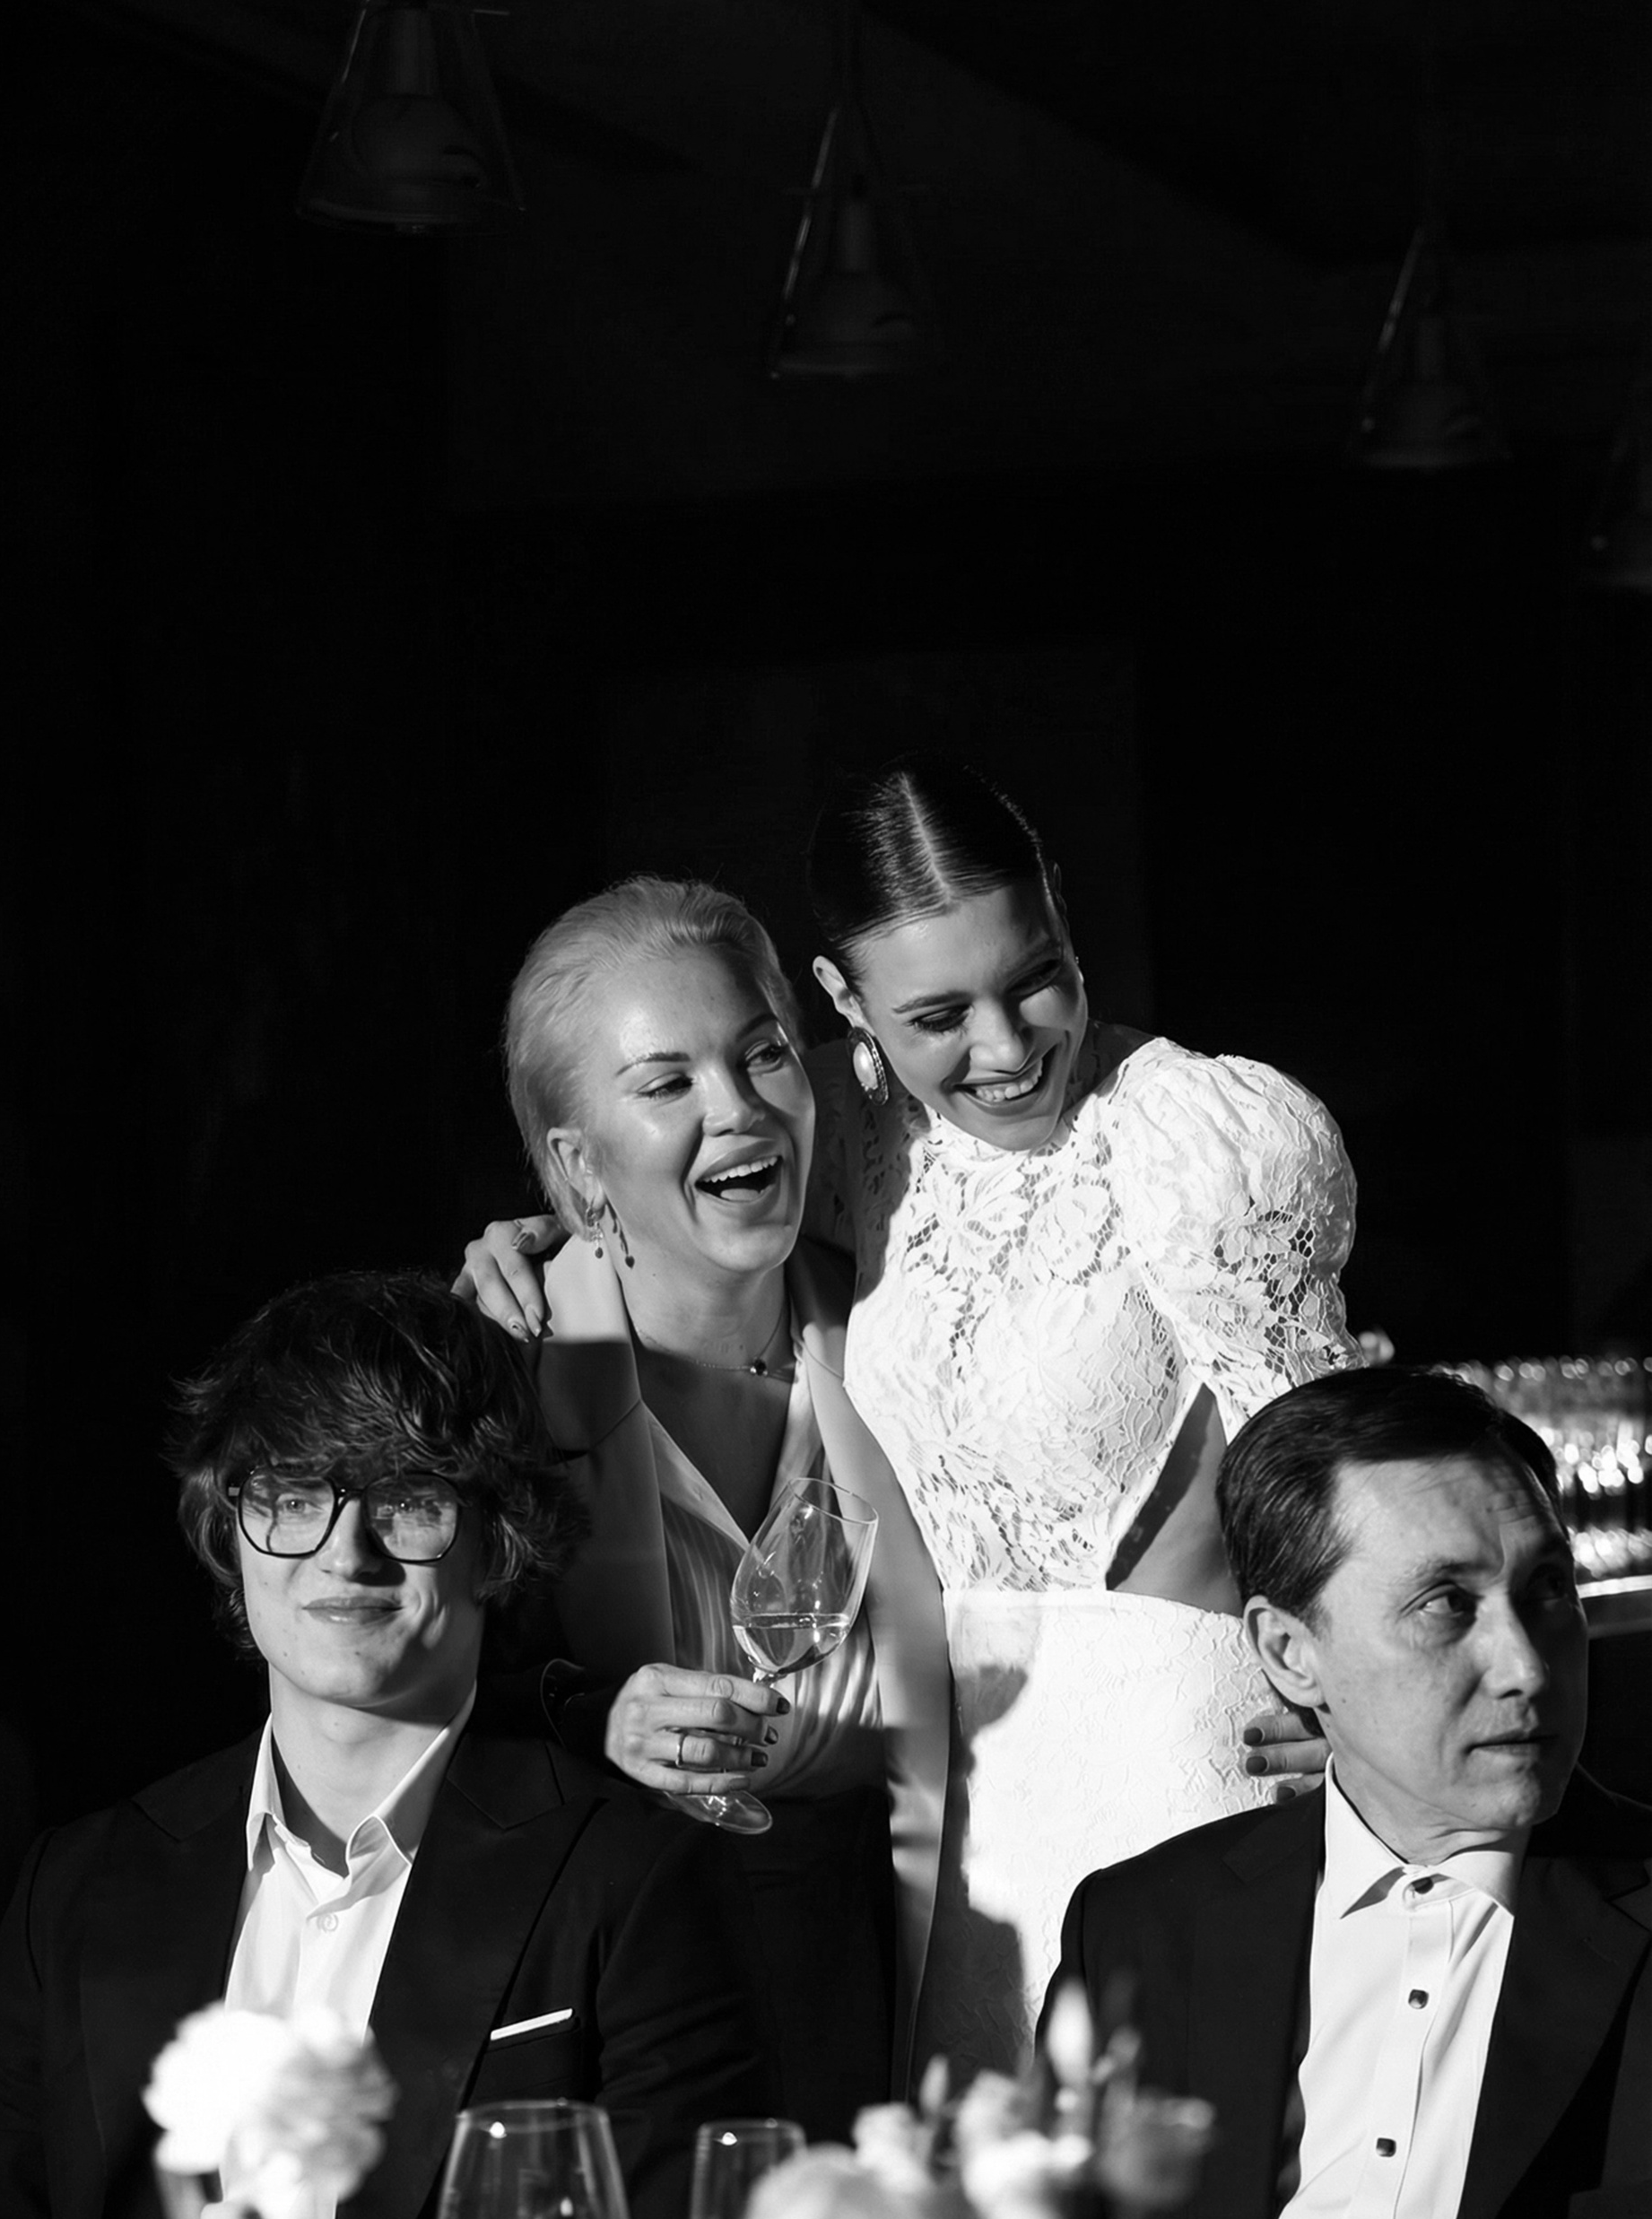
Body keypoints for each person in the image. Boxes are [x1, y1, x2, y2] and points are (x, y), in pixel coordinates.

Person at [468, 756, 1356, 2079]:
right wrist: (551, 1229)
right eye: (937, 1013)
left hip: (1163, 1769)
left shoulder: (1173, 1142)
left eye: (1036, 975)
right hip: (859, 1899)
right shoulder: (822, 1155)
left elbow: (1336, 1466)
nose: (1004, 1047)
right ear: (850, 1005)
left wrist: (1362, 1686)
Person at [0, 1269, 772, 2219]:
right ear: (230, 1529)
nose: (346, 1551)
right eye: (292, 1494)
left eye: (410, 1498)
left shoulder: (633, 1877)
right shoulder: (78, 1881)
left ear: (498, 1538)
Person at [1044, 1362, 1650, 2219]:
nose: (1526, 1664)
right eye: (1446, 1604)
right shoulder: (1147, 1924)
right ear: (1291, 1652)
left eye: (1549, 1589)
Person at [497, 877, 951, 2131]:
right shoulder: (509, 1376)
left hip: (902, 1985)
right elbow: (410, 1705)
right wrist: (589, 1715)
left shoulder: (911, 1333)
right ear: (576, 1165)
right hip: (620, 2018)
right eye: (667, 1082)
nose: (740, 1107)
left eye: (762, 1053)